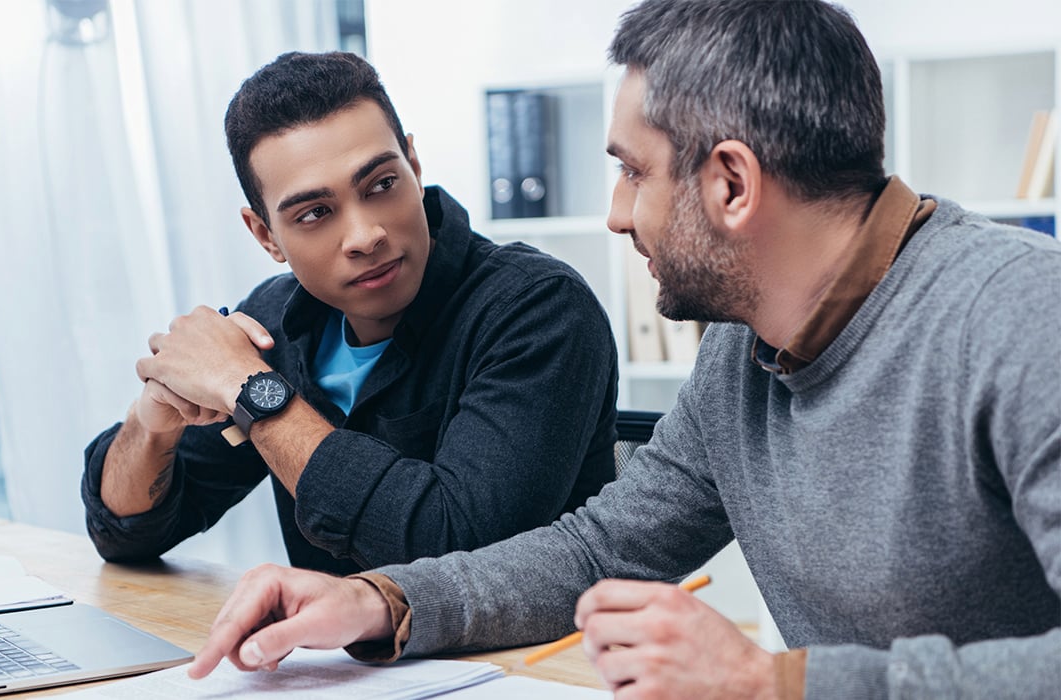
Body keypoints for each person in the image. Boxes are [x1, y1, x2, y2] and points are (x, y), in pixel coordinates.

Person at [183, 2, 1061, 698]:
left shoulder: (1023, 320)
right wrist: (379, 601)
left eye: (634, 171)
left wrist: (776, 682)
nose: (614, 213)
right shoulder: (743, 353)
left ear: (731, 183)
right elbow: (598, 550)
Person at [80, 51, 619, 576]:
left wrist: (254, 393)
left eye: (381, 185)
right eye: (315, 213)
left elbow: (458, 554)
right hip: (325, 641)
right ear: (266, 235)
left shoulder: (540, 310)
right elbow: (125, 534)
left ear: (414, 166)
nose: (365, 236)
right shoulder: (271, 323)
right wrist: (152, 422)